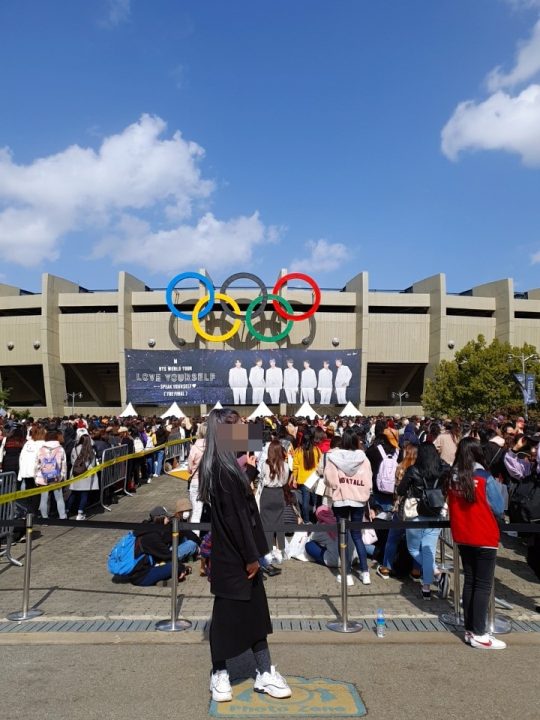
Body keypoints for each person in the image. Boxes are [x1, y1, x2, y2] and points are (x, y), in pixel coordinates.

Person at [198, 408, 291, 703]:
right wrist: (253, 557)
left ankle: (264, 671)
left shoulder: (227, 466)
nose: (245, 429)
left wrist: (249, 468)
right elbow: (236, 519)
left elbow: (258, 437)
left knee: (256, 616)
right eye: (237, 425)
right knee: (225, 618)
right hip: (233, 556)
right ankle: (219, 672)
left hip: (240, 552)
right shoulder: (220, 470)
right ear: (222, 433)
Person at [446, 437, 506, 649]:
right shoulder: (483, 477)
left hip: (463, 535)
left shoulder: (452, 478)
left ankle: (471, 629)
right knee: (482, 585)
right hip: (484, 534)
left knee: (470, 581)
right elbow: (499, 507)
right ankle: (480, 633)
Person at [396, 443, 446, 599]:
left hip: (416, 513)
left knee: (413, 549)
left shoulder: (414, 470)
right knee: (428, 548)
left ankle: (435, 574)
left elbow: (401, 490)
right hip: (436, 511)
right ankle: (426, 586)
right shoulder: (443, 470)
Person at [323, 427, 373, 586]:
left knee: (342, 535)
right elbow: (369, 479)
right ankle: (365, 572)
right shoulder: (363, 458)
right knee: (357, 535)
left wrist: (338, 485)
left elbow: (329, 478)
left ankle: (347, 573)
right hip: (358, 499)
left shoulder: (333, 457)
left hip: (341, 498)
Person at [259, 439, 289, 566]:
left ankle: (268, 550)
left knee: (266, 522)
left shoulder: (264, 464)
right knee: (279, 521)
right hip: (278, 493)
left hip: (267, 493)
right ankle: (280, 549)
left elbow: (261, 478)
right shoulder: (285, 465)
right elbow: (285, 481)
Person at [36, 427, 68, 520]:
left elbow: (37, 464)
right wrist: (63, 477)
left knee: (44, 498)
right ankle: (62, 517)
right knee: (59, 498)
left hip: (43, 477)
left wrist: (36, 477)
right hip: (56, 477)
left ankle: (45, 518)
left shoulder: (41, 448)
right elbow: (64, 464)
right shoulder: (60, 449)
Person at [68, 428, 98, 520]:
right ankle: (80, 513)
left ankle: (66, 510)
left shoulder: (74, 449)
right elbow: (93, 464)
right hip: (86, 474)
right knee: (84, 494)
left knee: (73, 493)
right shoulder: (90, 451)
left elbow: (73, 461)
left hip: (76, 473)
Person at [290, 429, 321, 523]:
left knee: (305, 502)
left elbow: (295, 467)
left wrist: (294, 479)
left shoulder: (298, 451)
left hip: (303, 480)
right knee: (316, 502)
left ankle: (306, 521)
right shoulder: (316, 450)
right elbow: (320, 464)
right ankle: (317, 520)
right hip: (315, 478)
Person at [187, 422, 206, 535]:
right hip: (209, 482)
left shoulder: (194, 447)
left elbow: (189, 469)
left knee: (196, 513)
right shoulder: (214, 447)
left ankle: (195, 540)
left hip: (196, 481)